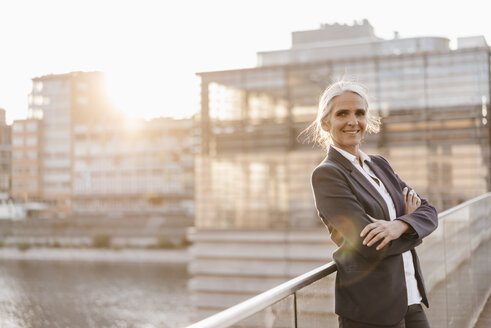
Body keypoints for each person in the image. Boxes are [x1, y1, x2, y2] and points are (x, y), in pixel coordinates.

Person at [306, 81, 438, 327]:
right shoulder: (328, 174)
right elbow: (370, 244)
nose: (353, 121)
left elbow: (429, 211)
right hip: (372, 310)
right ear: (326, 123)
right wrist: (413, 226)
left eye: (360, 113)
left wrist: (399, 225)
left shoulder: (379, 164)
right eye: (342, 114)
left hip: (411, 297)